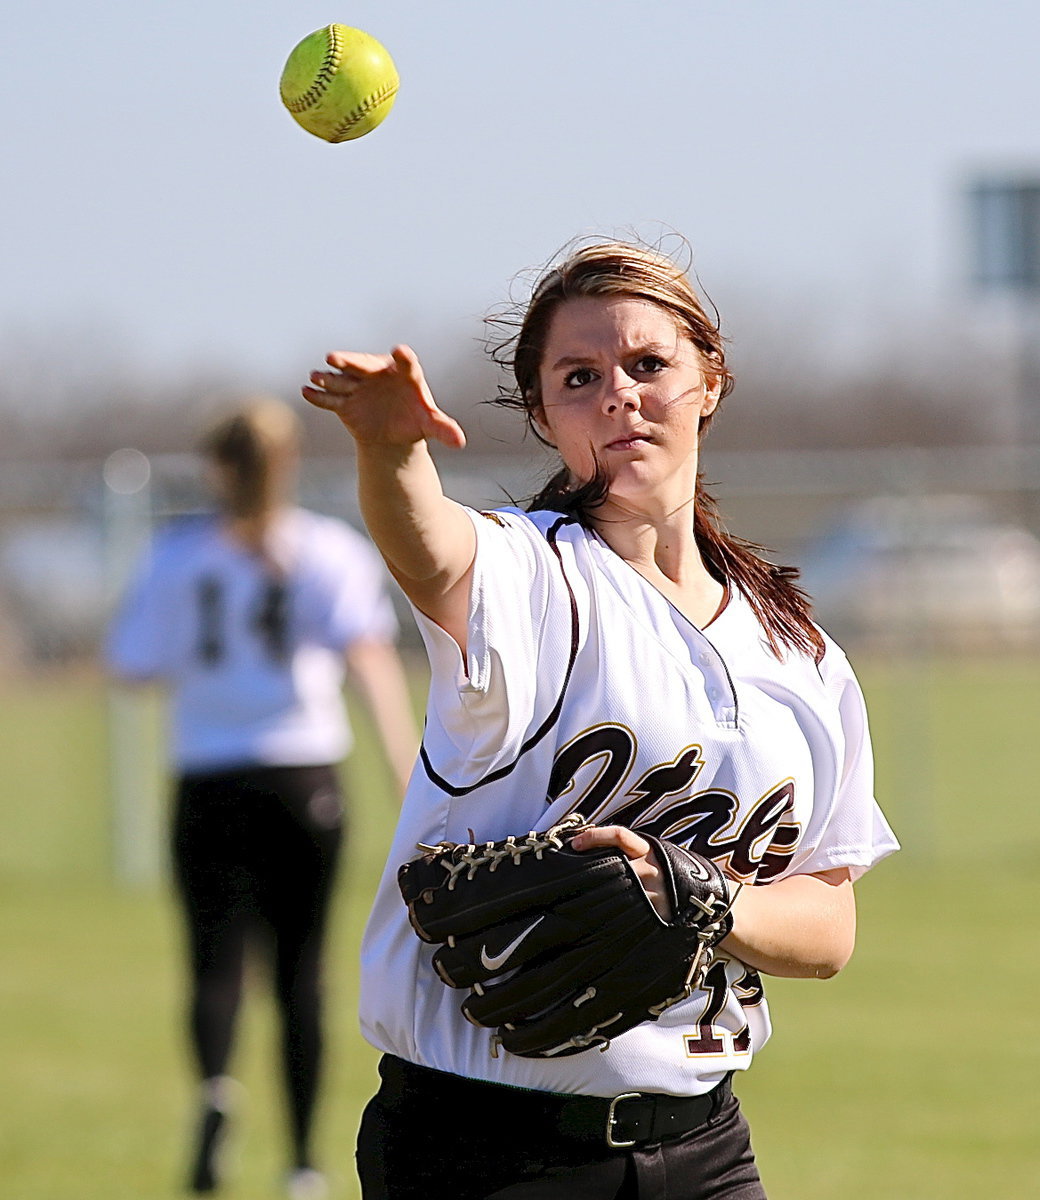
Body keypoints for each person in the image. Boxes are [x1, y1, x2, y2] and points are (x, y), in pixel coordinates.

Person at [301, 239, 900, 1199]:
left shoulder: (803, 655)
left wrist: (703, 896)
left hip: (705, 1148)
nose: (618, 392)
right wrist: (389, 447)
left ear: (710, 379)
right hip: (481, 1146)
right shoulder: (534, 577)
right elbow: (431, 550)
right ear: (543, 413)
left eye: (648, 364)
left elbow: (828, 926)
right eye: (579, 377)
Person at [104, 397, 421, 1199]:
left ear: (218, 466)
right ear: (288, 464)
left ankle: (216, 1093)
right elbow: (371, 665)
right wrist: (404, 768)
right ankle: (305, 1163)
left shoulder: (179, 554)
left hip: (209, 776)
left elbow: (132, 663)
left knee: (214, 963)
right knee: (300, 972)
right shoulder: (329, 551)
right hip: (303, 776)